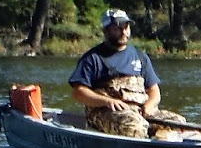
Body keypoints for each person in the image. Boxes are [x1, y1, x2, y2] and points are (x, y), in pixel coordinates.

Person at [69, 9, 186, 138]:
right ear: (106, 31)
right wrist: (107, 102)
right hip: (106, 112)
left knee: (178, 122)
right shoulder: (93, 58)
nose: (124, 32)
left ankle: (162, 141)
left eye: (126, 27)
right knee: (134, 126)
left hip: (141, 112)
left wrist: (149, 106)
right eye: (117, 28)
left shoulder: (140, 56)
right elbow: (78, 92)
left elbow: (154, 90)